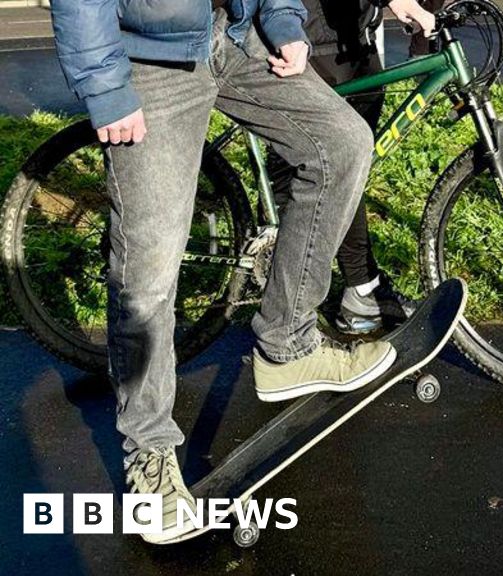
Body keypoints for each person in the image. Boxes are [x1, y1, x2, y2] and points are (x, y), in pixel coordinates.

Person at [50, 0, 434, 543]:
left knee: (341, 145)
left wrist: (281, 20)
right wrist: (104, 86)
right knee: (151, 267)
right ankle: (150, 454)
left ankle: (287, 344)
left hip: (233, 33)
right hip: (150, 59)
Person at [267, 0, 427, 335]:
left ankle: (360, 287)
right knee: (326, 172)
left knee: (348, 176)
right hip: (312, 42)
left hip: (356, 41)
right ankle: (298, 312)